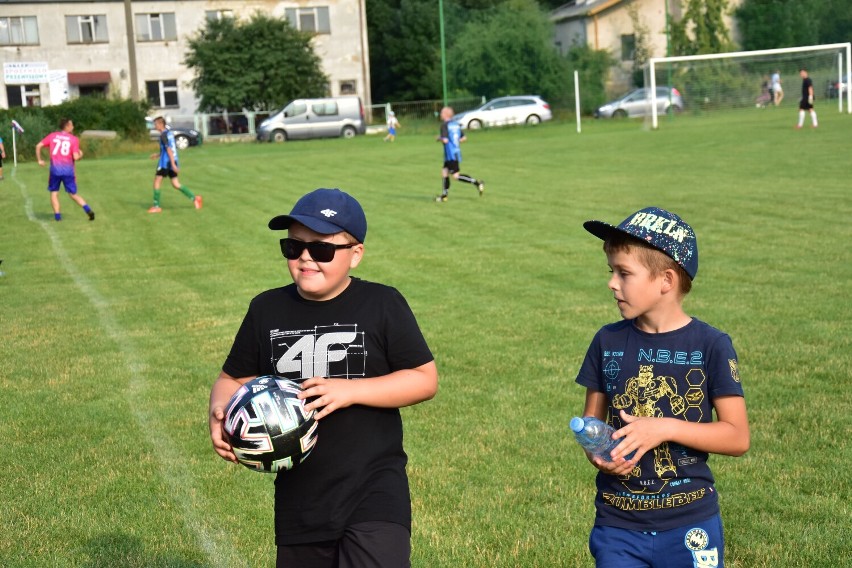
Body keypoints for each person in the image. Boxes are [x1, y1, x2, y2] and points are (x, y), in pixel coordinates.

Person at [208, 188, 438, 567]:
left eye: (322, 250)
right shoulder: (267, 309)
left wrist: (351, 390)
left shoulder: (382, 304)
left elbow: (424, 379)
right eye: (293, 247)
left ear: (356, 255)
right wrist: (219, 411)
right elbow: (232, 379)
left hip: (374, 491)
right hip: (301, 500)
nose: (305, 259)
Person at [574, 206, 750, 568]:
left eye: (624, 273)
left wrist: (665, 428)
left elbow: (737, 437)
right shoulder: (606, 341)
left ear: (666, 281)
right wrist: (597, 452)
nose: (611, 283)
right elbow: (590, 422)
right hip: (618, 524)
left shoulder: (711, 345)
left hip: (690, 522)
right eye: (612, 272)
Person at [35, 118, 95, 222]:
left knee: (54, 192)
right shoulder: (73, 139)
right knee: (73, 194)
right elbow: (76, 157)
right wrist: (81, 154)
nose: (73, 127)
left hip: (55, 170)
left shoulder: (52, 136)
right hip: (68, 171)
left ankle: (58, 217)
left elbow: (38, 145)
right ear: (66, 126)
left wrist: (39, 160)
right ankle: (88, 209)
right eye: (71, 125)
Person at [148, 116, 202, 213]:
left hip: (166, 162)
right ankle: (195, 198)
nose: (154, 126)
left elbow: (169, 150)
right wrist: (158, 155)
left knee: (157, 181)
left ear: (161, 124)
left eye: (155, 124)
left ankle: (156, 206)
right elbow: (169, 149)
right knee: (175, 184)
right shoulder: (169, 133)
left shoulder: (163, 135)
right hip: (172, 160)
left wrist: (172, 164)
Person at [436, 106, 484, 202]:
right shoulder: (455, 124)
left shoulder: (444, 125)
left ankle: (477, 183)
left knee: (455, 176)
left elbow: (445, 140)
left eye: (441, 113)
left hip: (450, 154)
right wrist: (456, 141)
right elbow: (464, 138)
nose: (440, 114)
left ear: (446, 115)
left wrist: (439, 138)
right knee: (444, 172)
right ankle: (444, 196)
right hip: (456, 152)